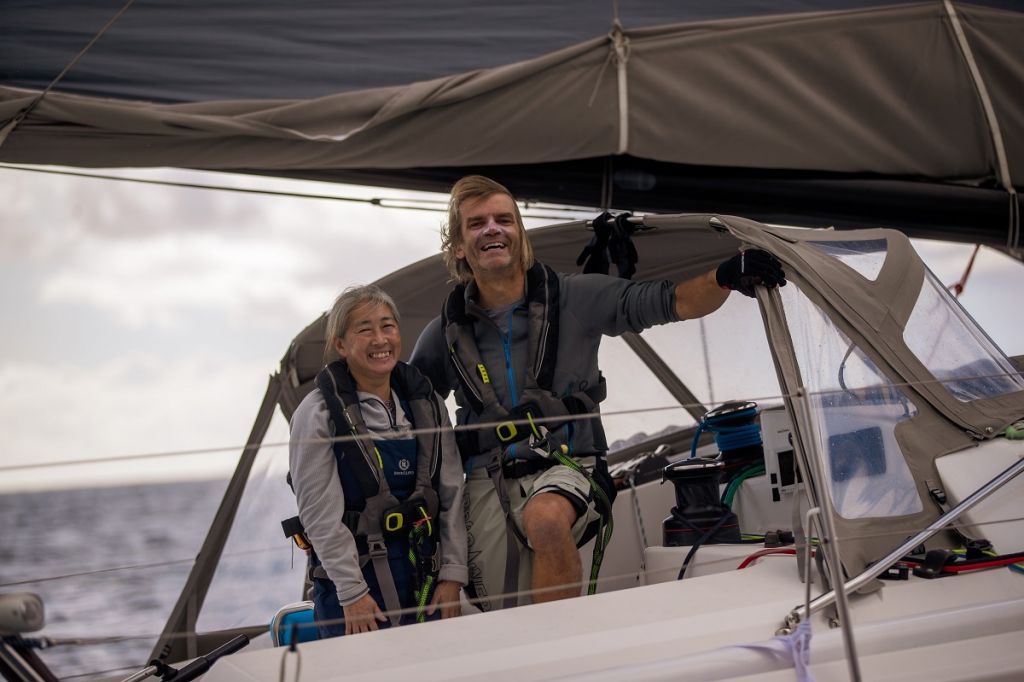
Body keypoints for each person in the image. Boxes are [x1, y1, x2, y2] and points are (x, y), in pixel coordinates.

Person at [410, 175, 785, 612]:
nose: (492, 229)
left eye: (504, 220)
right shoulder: (443, 335)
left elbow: (674, 301)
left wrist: (726, 276)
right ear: (458, 246)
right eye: (476, 224)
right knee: (502, 610)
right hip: (484, 479)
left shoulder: (577, 297)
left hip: (569, 463)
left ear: (520, 236)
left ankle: (567, 645)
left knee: (545, 520)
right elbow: (408, 409)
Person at [289, 284, 467, 637]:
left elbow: (451, 493)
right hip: (355, 588)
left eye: (388, 326)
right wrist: (352, 593)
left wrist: (452, 574)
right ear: (340, 345)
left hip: (426, 582)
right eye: (364, 329)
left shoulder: (427, 404)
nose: (380, 339)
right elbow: (319, 516)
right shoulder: (317, 413)